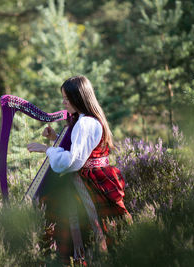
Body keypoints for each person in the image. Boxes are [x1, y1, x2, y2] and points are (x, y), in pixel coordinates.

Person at [27, 75, 132, 265]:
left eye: (66, 99)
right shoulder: (89, 120)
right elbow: (82, 149)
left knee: (84, 230)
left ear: (78, 98)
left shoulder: (84, 123)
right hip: (97, 177)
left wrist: (46, 149)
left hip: (87, 182)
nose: (63, 102)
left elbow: (72, 161)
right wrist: (56, 138)